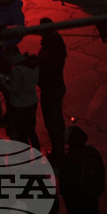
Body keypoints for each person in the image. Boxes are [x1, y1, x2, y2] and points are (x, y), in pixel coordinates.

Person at [37, 18, 66, 164]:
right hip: (59, 85)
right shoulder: (59, 44)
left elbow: (43, 70)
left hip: (50, 89)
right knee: (58, 119)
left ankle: (58, 153)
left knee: (51, 123)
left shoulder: (47, 49)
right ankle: (62, 146)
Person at [60, 126, 105, 214]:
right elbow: (101, 172)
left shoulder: (69, 159)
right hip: (92, 197)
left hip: (76, 203)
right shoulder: (92, 152)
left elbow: (64, 186)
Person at [3, 44, 40, 148]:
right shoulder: (33, 64)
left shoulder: (18, 70)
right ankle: (38, 153)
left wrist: (5, 85)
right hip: (32, 101)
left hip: (21, 106)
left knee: (22, 134)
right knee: (32, 131)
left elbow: (16, 91)